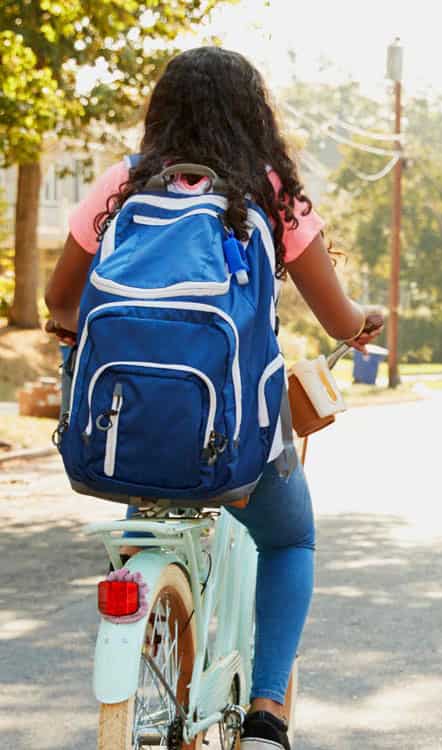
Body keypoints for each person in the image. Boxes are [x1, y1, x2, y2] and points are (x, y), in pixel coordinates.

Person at [44, 46, 382, 750]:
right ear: (252, 115)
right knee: (291, 541)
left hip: (125, 432)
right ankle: (266, 716)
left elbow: (59, 297)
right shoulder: (266, 194)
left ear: (160, 111)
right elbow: (337, 318)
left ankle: (152, 644)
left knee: (148, 497)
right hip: (240, 439)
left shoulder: (123, 186)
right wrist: (366, 322)